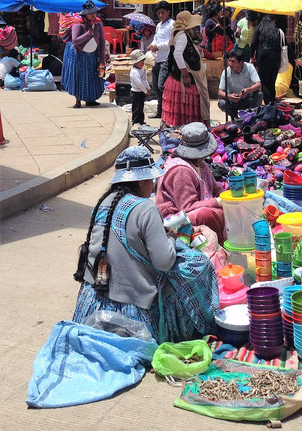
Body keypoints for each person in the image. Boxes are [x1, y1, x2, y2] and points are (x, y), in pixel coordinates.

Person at [72, 146, 218, 343]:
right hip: (134, 308)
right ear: (141, 181)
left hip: (95, 300)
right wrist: (175, 239)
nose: (153, 185)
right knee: (198, 264)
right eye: (151, 180)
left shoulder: (103, 202)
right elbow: (163, 262)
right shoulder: (145, 208)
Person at [155, 123, 226, 244]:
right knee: (208, 215)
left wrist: (228, 197)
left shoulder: (201, 165)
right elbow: (187, 207)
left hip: (191, 210)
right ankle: (220, 248)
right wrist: (217, 202)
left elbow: (216, 189)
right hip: (175, 219)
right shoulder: (181, 171)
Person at [162, 10, 210, 127]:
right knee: (192, 107)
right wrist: (185, 74)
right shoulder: (182, 35)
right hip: (182, 80)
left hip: (176, 78)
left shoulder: (180, 34)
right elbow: (177, 54)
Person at [62, 1, 105, 109]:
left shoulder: (98, 24)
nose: (93, 15)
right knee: (79, 78)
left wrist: (102, 57)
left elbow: (102, 40)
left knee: (92, 78)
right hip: (80, 56)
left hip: (93, 55)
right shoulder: (78, 24)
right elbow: (75, 41)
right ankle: (78, 101)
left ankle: (90, 100)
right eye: (90, 13)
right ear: (84, 14)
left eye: (94, 12)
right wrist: (88, 34)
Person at [218, 47, 262, 118]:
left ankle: (251, 115)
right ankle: (235, 117)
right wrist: (230, 96)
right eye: (229, 61)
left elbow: (258, 84)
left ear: (241, 62)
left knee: (259, 94)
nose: (230, 64)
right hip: (233, 101)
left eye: (233, 61)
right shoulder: (226, 72)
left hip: (247, 99)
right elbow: (220, 92)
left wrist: (247, 90)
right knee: (222, 103)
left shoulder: (249, 67)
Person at [147, 1, 173, 119]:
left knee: (162, 85)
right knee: (156, 87)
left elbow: (170, 42)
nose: (160, 15)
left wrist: (158, 46)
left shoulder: (171, 24)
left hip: (166, 58)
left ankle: (168, 110)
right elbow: (156, 40)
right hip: (156, 59)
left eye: (163, 12)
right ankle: (160, 111)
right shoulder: (159, 25)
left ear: (168, 12)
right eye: (158, 13)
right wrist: (152, 45)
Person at [250, 14, 282, 105]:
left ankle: (268, 104)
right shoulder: (277, 31)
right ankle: (272, 103)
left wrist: (251, 57)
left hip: (263, 60)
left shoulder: (259, 29)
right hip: (275, 60)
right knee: (272, 83)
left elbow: (253, 43)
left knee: (263, 83)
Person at [130, 49, 151, 125]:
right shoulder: (134, 72)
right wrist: (145, 91)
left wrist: (148, 87)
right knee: (136, 108)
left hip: (141, 92)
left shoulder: (141, 70)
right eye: (140, 61)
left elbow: (144, 80)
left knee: (141, 107)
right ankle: (135, 121)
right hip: (136, 93)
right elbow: (139, 83)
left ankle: (141, 121)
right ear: (135, 63)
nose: (142, 63)